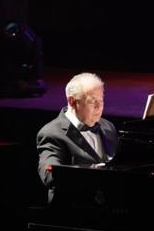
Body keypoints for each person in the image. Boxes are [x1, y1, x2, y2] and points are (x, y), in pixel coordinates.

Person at [37, 72, 118, 201]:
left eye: (101, 100)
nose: (99, 107)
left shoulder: (108, 127)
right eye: (92, 101)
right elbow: (49, 176)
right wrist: (93, 171)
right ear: (72, 101)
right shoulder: (52, 133)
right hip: (73, 208)